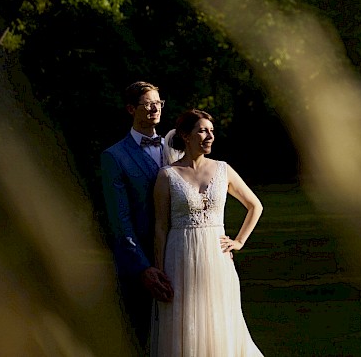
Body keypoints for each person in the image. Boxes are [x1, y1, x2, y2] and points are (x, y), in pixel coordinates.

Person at [150, 109, 265, 356]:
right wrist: (159, 270)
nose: (209, 136)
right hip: (179, 259)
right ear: (185, 136)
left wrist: (239, 241)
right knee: (185, 323)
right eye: (202, 130)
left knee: (221, 319)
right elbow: (160, 226)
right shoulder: (167, 175)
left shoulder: (223, 169)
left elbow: (255, 205)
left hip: (217, 260)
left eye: (211, 131)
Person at [100, 81, 181, 350]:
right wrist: (143, 268)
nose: (155, 108)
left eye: (158, 102)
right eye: (147, 103)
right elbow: (119, 220)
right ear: (131, 109)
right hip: (144, 264)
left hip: (182, 252)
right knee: (144, 340)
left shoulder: (178, 149)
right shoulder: (115, 156)